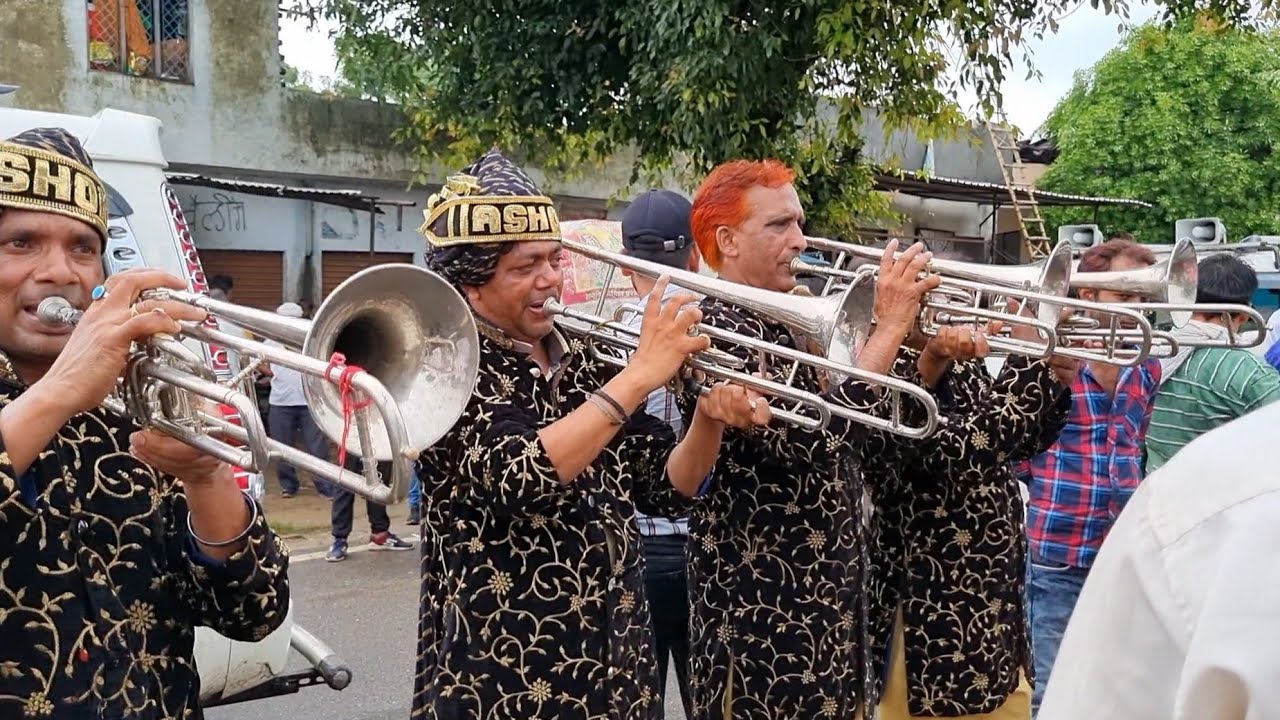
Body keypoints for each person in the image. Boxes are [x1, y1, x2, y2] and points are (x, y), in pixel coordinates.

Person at [412, 150, 769, 718]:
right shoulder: (440, 369)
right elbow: (521, 474)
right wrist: (640, 375)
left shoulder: (582, 357)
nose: (551, 280)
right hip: (505, 676)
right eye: (526, 266)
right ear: (470, 283)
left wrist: (708, 413)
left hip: (620, 670)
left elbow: (666, 484)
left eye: (554, 260)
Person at [0, 127, 289, 719]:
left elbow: (255, 613)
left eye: (83, 248)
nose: (61, 271)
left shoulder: (137, 399)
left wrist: (207, 478)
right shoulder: (82, 386)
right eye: (21, 243)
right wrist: (60, 390)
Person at [677, 158, 942, 720]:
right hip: (760, 636)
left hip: (833, 616)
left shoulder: (798, 319)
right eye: (779, 226)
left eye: (798, 222)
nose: (800, 240)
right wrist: (889, 328)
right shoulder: (708, 325)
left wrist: (923, 352)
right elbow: (819, 441)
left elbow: (873, 454)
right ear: (726, 240)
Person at [864, 310, 1078, 720]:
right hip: (934, 627)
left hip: (993, 612)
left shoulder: (961, 358)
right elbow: (962, 450)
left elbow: (1010, 448)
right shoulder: (881, 363)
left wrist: (1053, 385)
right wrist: (1032, 368)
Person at [1037, 400, 1280, 720]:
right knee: (1047, 671)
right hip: (1063, 545)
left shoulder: (1144, 370)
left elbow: (1136, 439)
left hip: (1130, 536)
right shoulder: (1202, 501)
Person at [1018, 236, 1163, 712]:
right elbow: (1018, 447)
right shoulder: (1052, 357)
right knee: (1050, 686)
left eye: (1143, 297)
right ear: (1088, 294)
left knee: (1110, 687)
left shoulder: (1148, 365)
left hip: (1120, 548)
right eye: (1125, 296)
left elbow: (1133, 444)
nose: (1138, 308)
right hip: (1058, 550)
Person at [615, 188, 701, 717]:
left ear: (625, 266)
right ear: (695, 255)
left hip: (631, 551)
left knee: (634, 702)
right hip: (705, 547)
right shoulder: (723, 327)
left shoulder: (601, 332)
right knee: (708, 698)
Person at [1146, 254, 1280, 473]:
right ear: (1245, 313)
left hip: (1152, 497)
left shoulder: (1152, 356)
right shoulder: (1249, 373)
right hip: (1220, 501)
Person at [259, 301, 337, 498]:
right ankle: (288, 485)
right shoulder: (271, 341)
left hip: (309, 401)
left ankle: (325, 486)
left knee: (317, 447)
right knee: (281, 447)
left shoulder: (311, 340)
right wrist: (272, 373)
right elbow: (256, 361)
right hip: (280, 402)